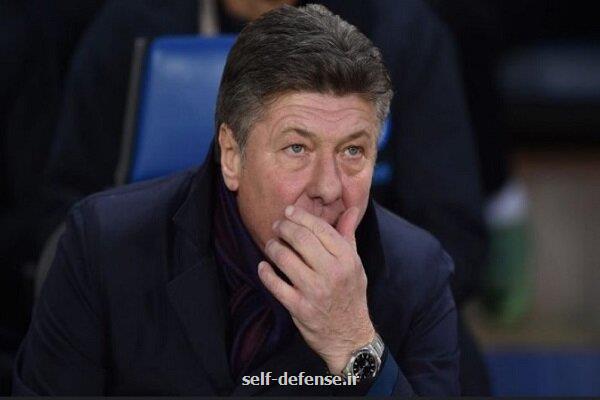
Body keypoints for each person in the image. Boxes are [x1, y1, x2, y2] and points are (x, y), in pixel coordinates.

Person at [13, 5, 459, 395]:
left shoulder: (417, 275)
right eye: (297, 148)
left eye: (353, 151)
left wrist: (353, 343)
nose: (328, 187)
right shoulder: (104, 248)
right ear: (232, 154)